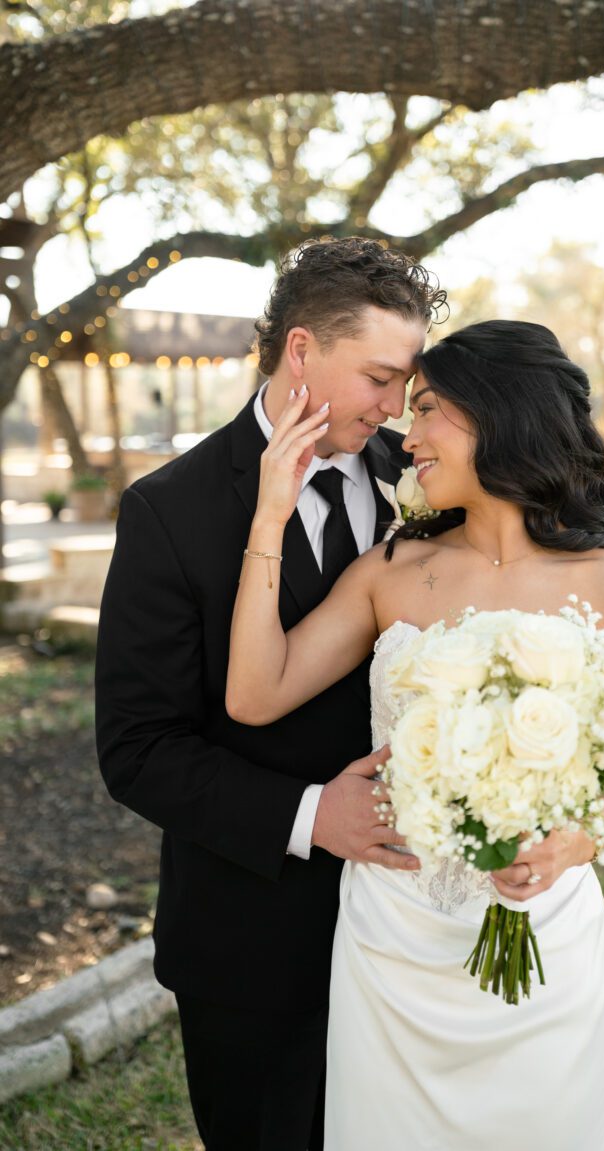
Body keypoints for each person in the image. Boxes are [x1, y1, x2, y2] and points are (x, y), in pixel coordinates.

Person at [226, 319, 604, 1151]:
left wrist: (571, 841)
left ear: (499, 414)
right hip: (392, 943)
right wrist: (269, 517)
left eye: (428, 409)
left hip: (543, 941)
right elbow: (255, 693)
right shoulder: (393, 571)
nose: (407, 434)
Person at [94, 236, 449, 1151]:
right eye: (378, 377)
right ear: (301, 350)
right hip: (251, 937)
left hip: (413, 928)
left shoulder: (417, 479)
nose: (393, 408)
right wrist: (307, 815)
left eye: (406, 386)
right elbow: (137, 747)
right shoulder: (169, 510)